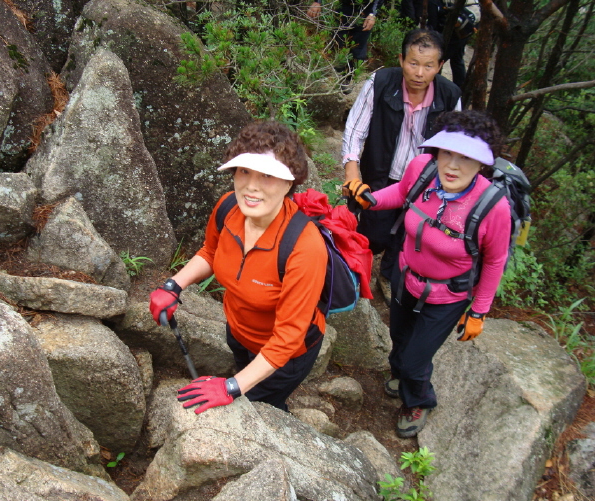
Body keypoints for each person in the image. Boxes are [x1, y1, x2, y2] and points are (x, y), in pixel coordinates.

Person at [347, 110, 510, 438]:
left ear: (482, 164)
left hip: (448, 294)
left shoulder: (493, 207)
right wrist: (370, 199)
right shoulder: (421, 169)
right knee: (399, 337)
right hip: (406, 274)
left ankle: (418, 399)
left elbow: (494, 261)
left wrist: (478, 311)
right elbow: (401, 194)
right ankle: (401, 374)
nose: (452, 165)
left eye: (466, 158)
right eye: (447, 153)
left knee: (415, 359)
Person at [149, 120, 328, 414]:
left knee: (261, 408)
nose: (251, 186)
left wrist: (231, 387)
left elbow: (287, 338)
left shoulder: (304, 247)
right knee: (244, 383)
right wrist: (174, 285)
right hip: (239, 331)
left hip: (287, 356)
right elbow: (210, 251)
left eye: (267, 175)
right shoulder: (228, 208)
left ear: (289, 183)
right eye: (244, 171)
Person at [341, 28, 462, 304]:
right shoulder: (381, 82)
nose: (419, 73)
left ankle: (388, 276)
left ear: (440, 66)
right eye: (413, 63)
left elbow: (455, 146)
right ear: (401, 59)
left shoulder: (449, 96)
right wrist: (352, 169)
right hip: (382, 173)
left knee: (411, 233)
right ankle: (354, 275)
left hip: (426, 183)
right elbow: (356, 129)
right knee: (373, 231)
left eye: (429, 65)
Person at [308, 0, 384, 67]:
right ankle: (340, 77)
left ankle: (353, 78)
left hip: (365, 11)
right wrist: (317, 2)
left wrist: (373, 14)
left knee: (358, 50)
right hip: (343, 7)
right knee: (338, 45)